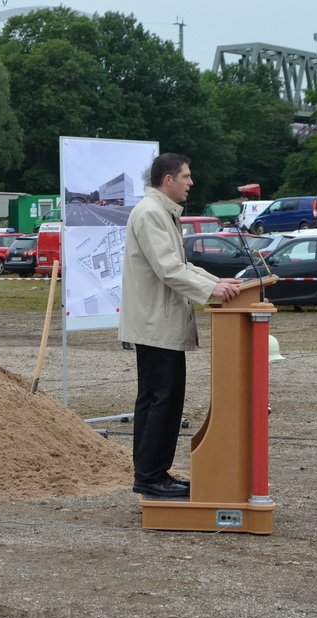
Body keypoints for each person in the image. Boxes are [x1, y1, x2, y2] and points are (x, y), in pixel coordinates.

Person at [118, 153, 243, 498]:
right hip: (155, 324)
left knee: (158, 400)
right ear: (167, 179)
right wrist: (211, 289)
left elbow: (181, 265)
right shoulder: (151, 214)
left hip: (158, 322)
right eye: (186, 176)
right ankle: (150, 477)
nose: (191, 182)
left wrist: (218, 282)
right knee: (162, 401)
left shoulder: (161, 213)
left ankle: (154, 472)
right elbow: (169, 270)